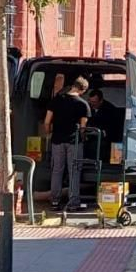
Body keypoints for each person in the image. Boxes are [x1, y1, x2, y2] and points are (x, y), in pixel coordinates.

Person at [42, 76, 93, 211]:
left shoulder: (56, 100)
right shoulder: (83, 104)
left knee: (57, 171)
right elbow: (83, 128)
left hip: (57, 140)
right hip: (74, 142)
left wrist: (49, 133)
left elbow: (47, 122)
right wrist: (83, 138)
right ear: (83, 90)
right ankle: (73, 203)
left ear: (73, 86)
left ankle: (55, 201)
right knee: (74, 171)